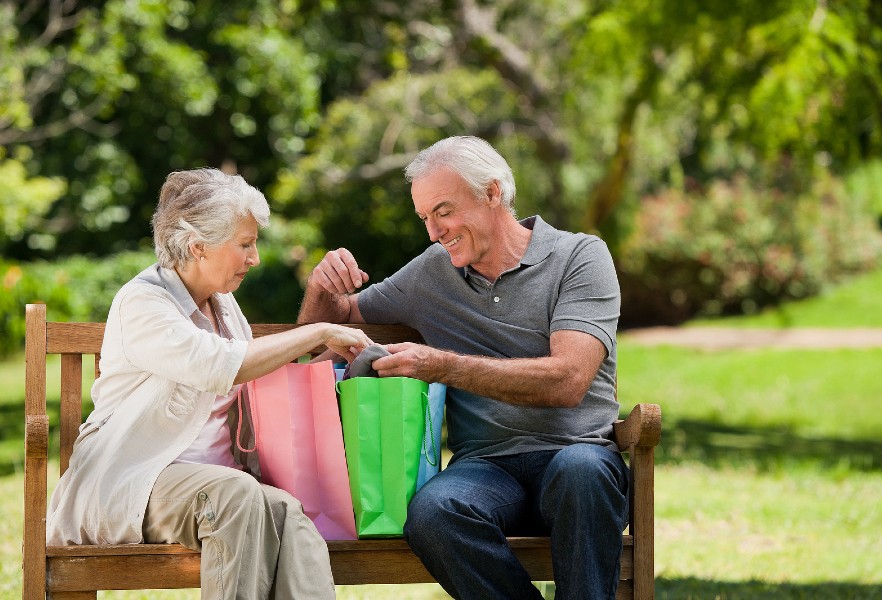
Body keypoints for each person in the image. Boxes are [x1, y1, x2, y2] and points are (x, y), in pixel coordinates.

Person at [298, 136, 629, 599]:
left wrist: (440, 365)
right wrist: (321, 287)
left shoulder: (579, 257)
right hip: (487, 468)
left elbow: (568, 380)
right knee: (434, 513)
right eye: (425, 218)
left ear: (493, 193)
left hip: (576, 454)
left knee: (582, 472)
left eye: (444, 210)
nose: (434, 231)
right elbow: (325, 335)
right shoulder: (433, 272)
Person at [46, 167, 372, 599]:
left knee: (288, 513)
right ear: (198, 246)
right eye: (245, 244)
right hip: (134, 481)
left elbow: (259, 376)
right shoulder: (142, 302)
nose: (254, 258)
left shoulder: (223, 305)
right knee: (236, 496)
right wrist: (319, 331)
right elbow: (221, 365)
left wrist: (348, 357)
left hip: (218, 487)